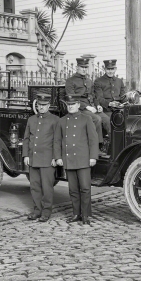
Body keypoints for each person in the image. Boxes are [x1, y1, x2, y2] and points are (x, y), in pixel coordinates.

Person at [54, 94, 99, 226]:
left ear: (78, 105)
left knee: (85, 188)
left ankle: (85, 215)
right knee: (73, 189)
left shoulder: (86, 119)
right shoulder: (62, 121)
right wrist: (58, 157)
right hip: (69, 159)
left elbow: (93, 139)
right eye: (68, 105)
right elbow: (57, 141)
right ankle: (76, 214)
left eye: (73, 104)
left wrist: (93, 157)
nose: (70, 107)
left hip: (83, 159)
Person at [23, 92, 59, 223]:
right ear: (36, 105)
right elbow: (27, 138)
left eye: (44, 105)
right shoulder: (31, 120)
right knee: (34, 186)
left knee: (47, 187)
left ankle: (46, 211)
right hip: (33, 158)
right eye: (39, 105)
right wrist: (26, 155)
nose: (42, 107)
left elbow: (57, 140)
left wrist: (55, 157)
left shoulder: (55, 120)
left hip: (47, 159)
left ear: (49, 105)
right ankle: (37, 210)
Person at [65, 57, 109, 144]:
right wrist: (87, 107)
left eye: (85, 67)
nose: (84, 69)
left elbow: (93, 96)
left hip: (92, 107)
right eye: (82, 67)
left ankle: (113, 145)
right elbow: (72, 99)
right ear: (77, 67)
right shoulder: (70, 81)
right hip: (79, 108)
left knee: (107, 119)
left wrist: (98, 105)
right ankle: (97, 145)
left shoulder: (89, 81)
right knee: (97, 119)